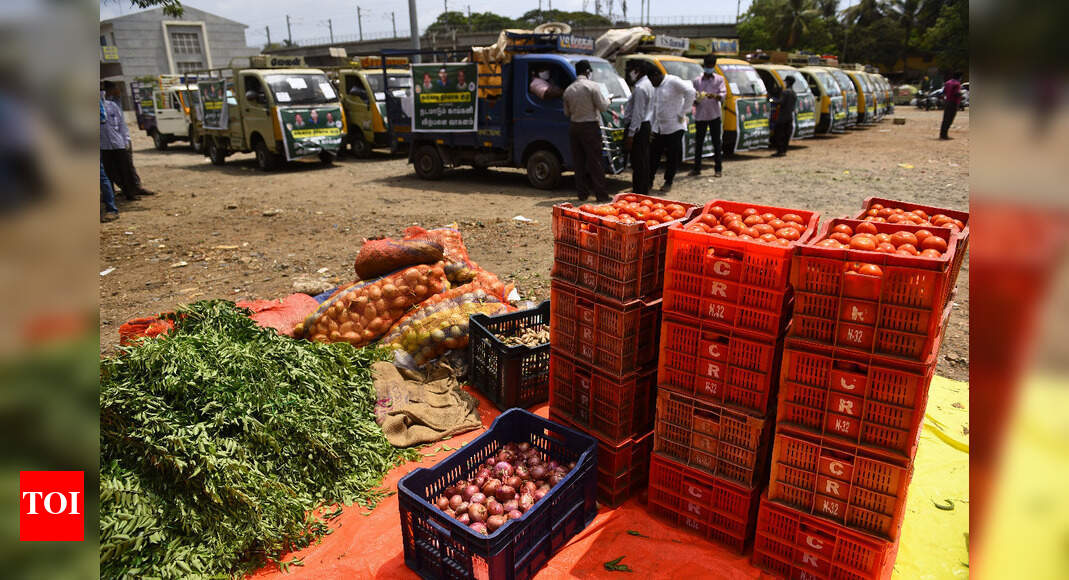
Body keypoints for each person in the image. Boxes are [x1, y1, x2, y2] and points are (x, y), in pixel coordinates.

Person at [563, 60, 610, 201]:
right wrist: (609, 101)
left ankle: (582, 194)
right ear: (588, 72)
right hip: (590, 127)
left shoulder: (568, 90)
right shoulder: (592, 86)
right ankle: (601, 195)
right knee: (595, 161)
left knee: (579, 162)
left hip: (574, 127)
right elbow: (603, 107)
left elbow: (567, 113)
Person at [101, 81, 154, 200]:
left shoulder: (112, 105)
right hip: (104, 146)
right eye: (116, 88)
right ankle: (110, 195)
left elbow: (122, 125)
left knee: (127, 169)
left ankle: (131, 191)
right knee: (109, 171)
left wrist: (126, 140)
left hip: (118, 143)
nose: (119, 91)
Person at [648, 67, 696, 193]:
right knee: (653, 155)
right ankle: (649, 181)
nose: (652, 83)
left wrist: (682, 112)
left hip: (675, 126)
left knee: (672, 156)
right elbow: (655, 108)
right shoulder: (657, 87)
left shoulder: (673, 81)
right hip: (659, 127)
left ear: (657, 75)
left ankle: (668, 181)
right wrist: (652, 126)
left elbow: (691, 92)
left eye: (652, 80)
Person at [689, 56, 727, 177]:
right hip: (700, 116)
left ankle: (718, 169)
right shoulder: (697, 81)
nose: (709, 68)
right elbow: (693, 97)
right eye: (707, 66)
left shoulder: (719, 79)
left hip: (714, 115)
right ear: (704, 66)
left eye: (711, 66)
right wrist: (696, 99)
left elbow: (722, 95)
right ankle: (696, 168)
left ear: (714, 66)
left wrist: (714, 96)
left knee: (717, 142)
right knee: (699, 143)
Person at [622, 60, 653, 194]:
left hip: (638, 128)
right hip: (645, 125)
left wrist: (630, 135)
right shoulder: (648, 84)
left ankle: (639, 191)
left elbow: (637, 114)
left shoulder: (641, 88)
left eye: (631, 70)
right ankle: (642, 188)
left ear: (637, 71)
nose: (630, 74)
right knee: (643, 161)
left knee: (638, 162)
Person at [771, 75, 797, 157]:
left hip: (782, 116)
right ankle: (784, 150)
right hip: (789, 116)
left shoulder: (786, 92)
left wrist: (771, 99)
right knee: (786, 134)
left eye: (786, 81)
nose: (785, 83)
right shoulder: (793, 93)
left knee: (778, 134)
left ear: (788, 82)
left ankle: (780, 151)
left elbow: (780, 102)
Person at [940, 72, 962, 140]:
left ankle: (942, 134)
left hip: (947, 101)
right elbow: (956, 93)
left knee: (945, 118)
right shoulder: (957, 84)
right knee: (950, 119)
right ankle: (945, 135)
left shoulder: (947, 82)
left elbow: (943, 92)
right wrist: (961, 94)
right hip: (954, 102)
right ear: (959, 77)